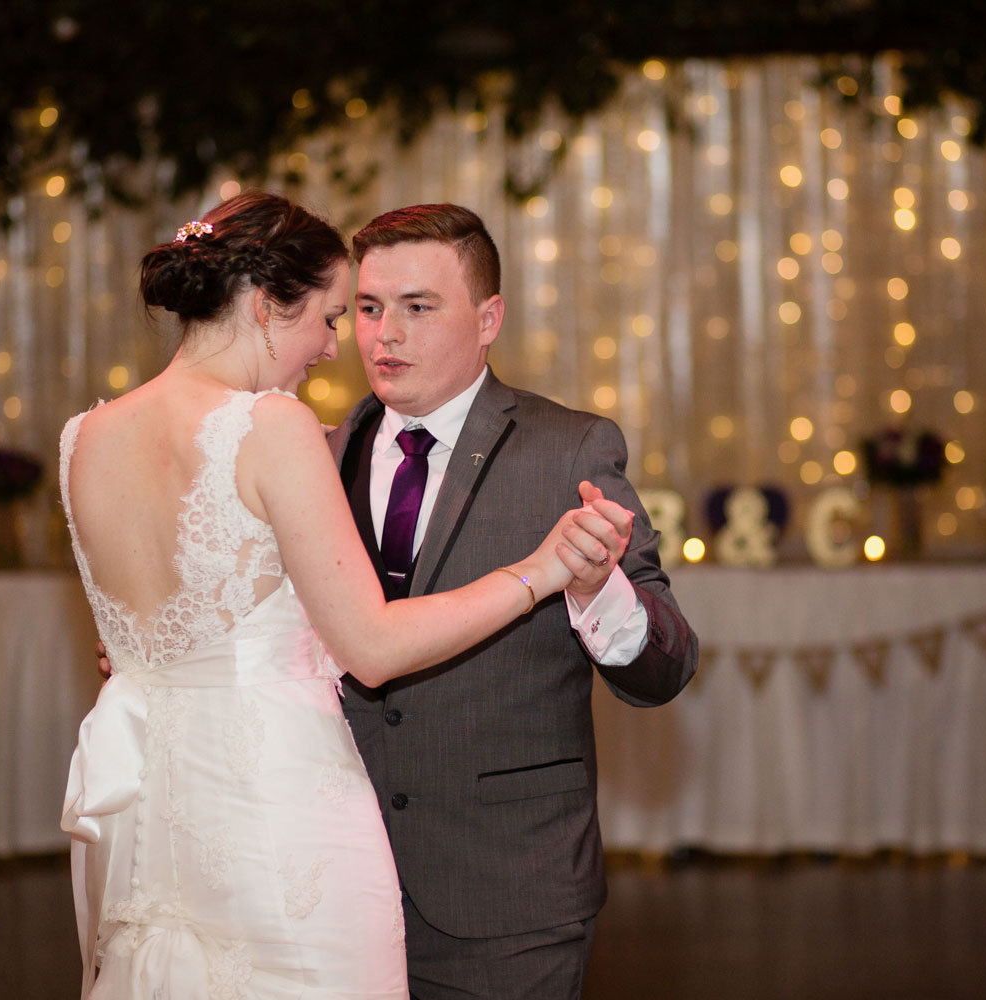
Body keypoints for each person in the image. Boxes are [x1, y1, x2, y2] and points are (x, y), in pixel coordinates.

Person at [59, 191, 632, 999]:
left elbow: (160, 629)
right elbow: (370, 644)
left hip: (159, 818)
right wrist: (538, 572)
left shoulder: (83, 438)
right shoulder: (277, 427)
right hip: (281, 809)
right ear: (265, 307)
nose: (338, 347)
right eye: (335, 314)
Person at [333, 204, 698, 999]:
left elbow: (666, 664)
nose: (382, 334)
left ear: (488, 316)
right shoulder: (314, 455)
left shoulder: (568, 447)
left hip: (506, 893)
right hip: (329, 887)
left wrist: (601, 591)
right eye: (368, 307)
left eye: (417, 307)